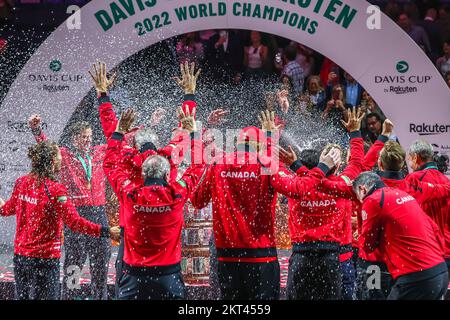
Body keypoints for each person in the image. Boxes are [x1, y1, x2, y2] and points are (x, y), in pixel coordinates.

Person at [89, 61, 200, 298]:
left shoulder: (128, 162)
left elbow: (112, 137)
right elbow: (185, 129)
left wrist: (103, 96)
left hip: (133, 248)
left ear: (134, 145)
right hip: (166, 253)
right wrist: (189, 94)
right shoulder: (167, 157)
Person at [103, 107, 204, 300]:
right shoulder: (177, 194)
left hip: (133, 276)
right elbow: (198, 164)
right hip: (169, 276)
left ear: (142, 174)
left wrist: (118, 133)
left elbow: (109, 164)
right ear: (168, 175)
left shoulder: (129, 194)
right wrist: (193, 134)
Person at [0, 141, 120, 300]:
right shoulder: (56, 189)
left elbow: (5, 210)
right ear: (52, 161)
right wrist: (106, 231)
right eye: (58, 156)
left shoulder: (22, 182)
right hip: (45, 260)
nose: (61, 159)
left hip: (21, 258)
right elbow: (75, 223)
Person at [276, 107, 365, 300]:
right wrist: (355, 133)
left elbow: (277, 164)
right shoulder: (341, 185)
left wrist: (274, 133)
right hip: (333, 258)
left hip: (301, 257)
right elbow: (357, 164)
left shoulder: (295, 185)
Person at [28, 117, 111, 300]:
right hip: (76, 214)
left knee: (101, 259)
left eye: (89, 137)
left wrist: (150, 125)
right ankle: (70, 296)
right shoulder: (64, 155)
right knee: (75, 260)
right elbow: (46, 146)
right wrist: (37, 130)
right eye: (83, 137)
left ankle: (100, 297)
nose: (88, 140)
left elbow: (119, 142)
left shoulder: (99, 152)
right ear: (74, 139)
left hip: (98, 212)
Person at [353, 172, 449, 300]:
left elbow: (367, 245)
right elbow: (434, 229)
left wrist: (360, 228)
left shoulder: (373, 200)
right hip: (439, 271)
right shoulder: (404, 194)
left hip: (410, 276)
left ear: (362, 189)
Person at [405, 139, 450, 273]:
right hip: (447, 251)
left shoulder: (413, 180)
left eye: (409, 159)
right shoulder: (446, 181)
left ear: (415, 157)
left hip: (426, 253)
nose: (410, 164)